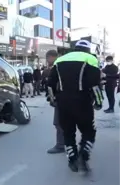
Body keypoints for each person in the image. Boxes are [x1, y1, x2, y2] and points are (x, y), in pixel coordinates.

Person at [47, 40, 103, 172]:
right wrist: (99, 102)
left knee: (68, 132)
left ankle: (72, 158)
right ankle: (84, 154)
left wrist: (53, 100)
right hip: (82, 101)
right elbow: (95, 84)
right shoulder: (90, 59)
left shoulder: (60, 60)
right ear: (88, 50)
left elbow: (50, 84)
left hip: (63, 103)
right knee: (89, 131)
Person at [44, 50, 65, 154]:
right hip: (75, 98)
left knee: (58, 122)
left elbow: (51, 84)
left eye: (47, 59)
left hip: (61, 99)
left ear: (52, 57)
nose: (47, 61)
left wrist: (51, 99)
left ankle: (61, 145)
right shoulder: (65, 64)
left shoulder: (57, 66)